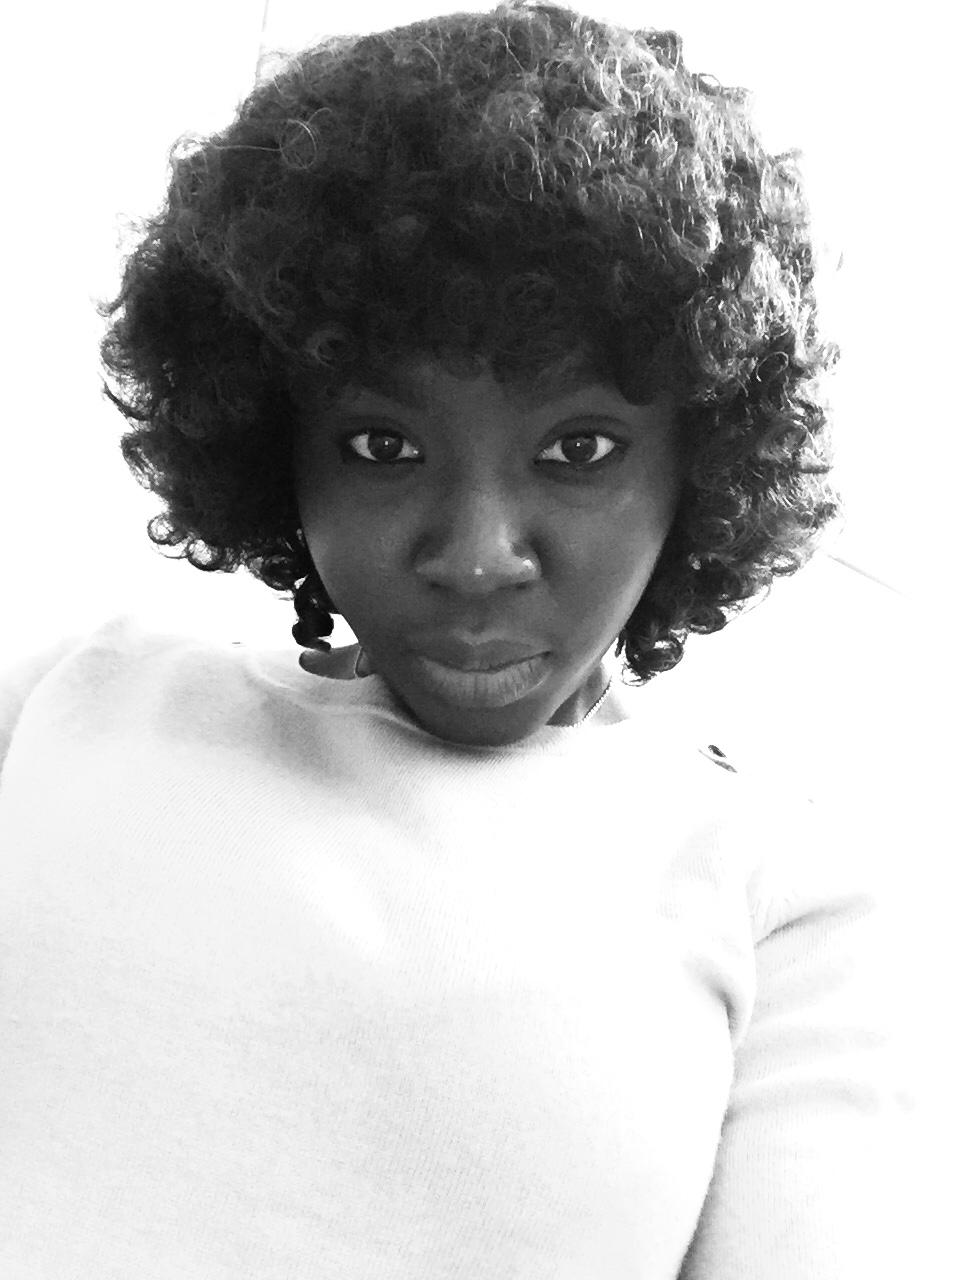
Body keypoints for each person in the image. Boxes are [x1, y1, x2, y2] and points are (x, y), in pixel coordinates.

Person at [0, 2, 915, 1276]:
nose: (480, 555)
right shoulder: (70, 697)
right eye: (385, 445)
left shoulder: (780, 890)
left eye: (579, 447)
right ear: (275, 446)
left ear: (700, 463)